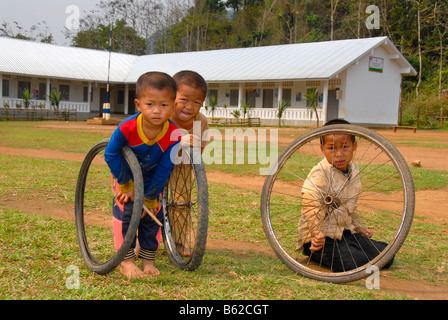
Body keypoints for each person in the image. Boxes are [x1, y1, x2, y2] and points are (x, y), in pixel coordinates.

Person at [105, 71, 181, 278]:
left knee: (151, 216)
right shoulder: (127, 127)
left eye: (164, 105)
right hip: (125, 176)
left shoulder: (174, 134)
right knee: (129, 213)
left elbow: (166, 167)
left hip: (152, 178)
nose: (157, 111)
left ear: (173, 106)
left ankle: (148, 260)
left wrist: (150, 196)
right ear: (138, 105)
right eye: (150, 105)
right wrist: (126, 184)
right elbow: (110, 154)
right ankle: (127, 261)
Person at [297, 119, 393, 272]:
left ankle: (358, 249)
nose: (339, 154)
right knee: (354, 261)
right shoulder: (320, 174)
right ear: (322, 148)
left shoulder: (354, 172)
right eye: (331, 148)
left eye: (345, 147)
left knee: (387, 255)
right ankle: (315, 252)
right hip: (321, 239)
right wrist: (316, 232)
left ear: (354, 146)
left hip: (345, 233)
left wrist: (358, 227)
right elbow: (311, 205)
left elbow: (351, 207)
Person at [168, 70, 209, 256]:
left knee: (182, 202)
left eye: (196, 102)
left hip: (182, 163)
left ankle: (178, 243)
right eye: (183, 99)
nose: (189, 107)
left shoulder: (200, 121)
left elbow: (198, 151)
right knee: (146, 198)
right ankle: (139, 241)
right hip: (155, 159)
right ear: (172, 97)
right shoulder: (164, 113)